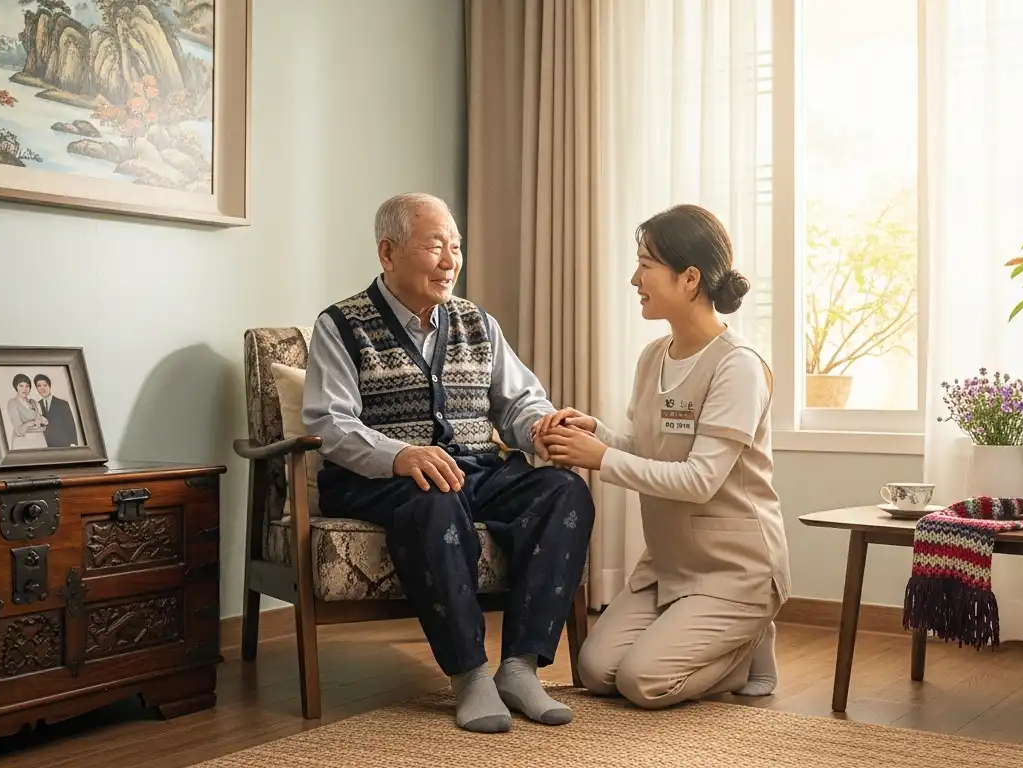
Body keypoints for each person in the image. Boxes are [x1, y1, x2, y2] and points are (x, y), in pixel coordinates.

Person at [302, 193, 595, 733]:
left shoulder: (477, 323)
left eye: (455, 247)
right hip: (381, 479)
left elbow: (517, 400)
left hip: (477, 469)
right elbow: (331, 423)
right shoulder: (341, 325)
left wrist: (541, 425)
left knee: (563, 491)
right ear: (387, 253)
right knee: (434, 499)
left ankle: (521, 666)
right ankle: (470, 675)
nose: (449, 260)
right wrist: (400, 454)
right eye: (434, 246)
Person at [534, 203, 789, 710]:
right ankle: (728, 639)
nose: (635, 278)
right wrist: (598, 434)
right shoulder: (653, 357)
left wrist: (601, 456)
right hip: (669, 564)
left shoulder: (737, 368)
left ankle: (747, 645)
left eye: (646, 265)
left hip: (735, 570)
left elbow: (698, 481)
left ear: (690, 278)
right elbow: (649, 453)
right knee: (596, 671)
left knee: (643, 682)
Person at [34, 374, 80, 447]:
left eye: (45, 385)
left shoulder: (62, 404)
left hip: (63, 444)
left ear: (49, 386)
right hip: (46, 446)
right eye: (39, 386)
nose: (42, 388)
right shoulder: (36, 405)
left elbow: (70, 425)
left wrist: (73, 443)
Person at [4, 374, 47, 450]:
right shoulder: (13, 403)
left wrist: (44, 421)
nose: (24, 389)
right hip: (23, 444)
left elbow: (41, 423)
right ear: (16, 387)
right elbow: (19, 431)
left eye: (27, 386)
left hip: (39, 442)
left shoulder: (34, 402)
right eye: (21, 386)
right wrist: (33, 422)